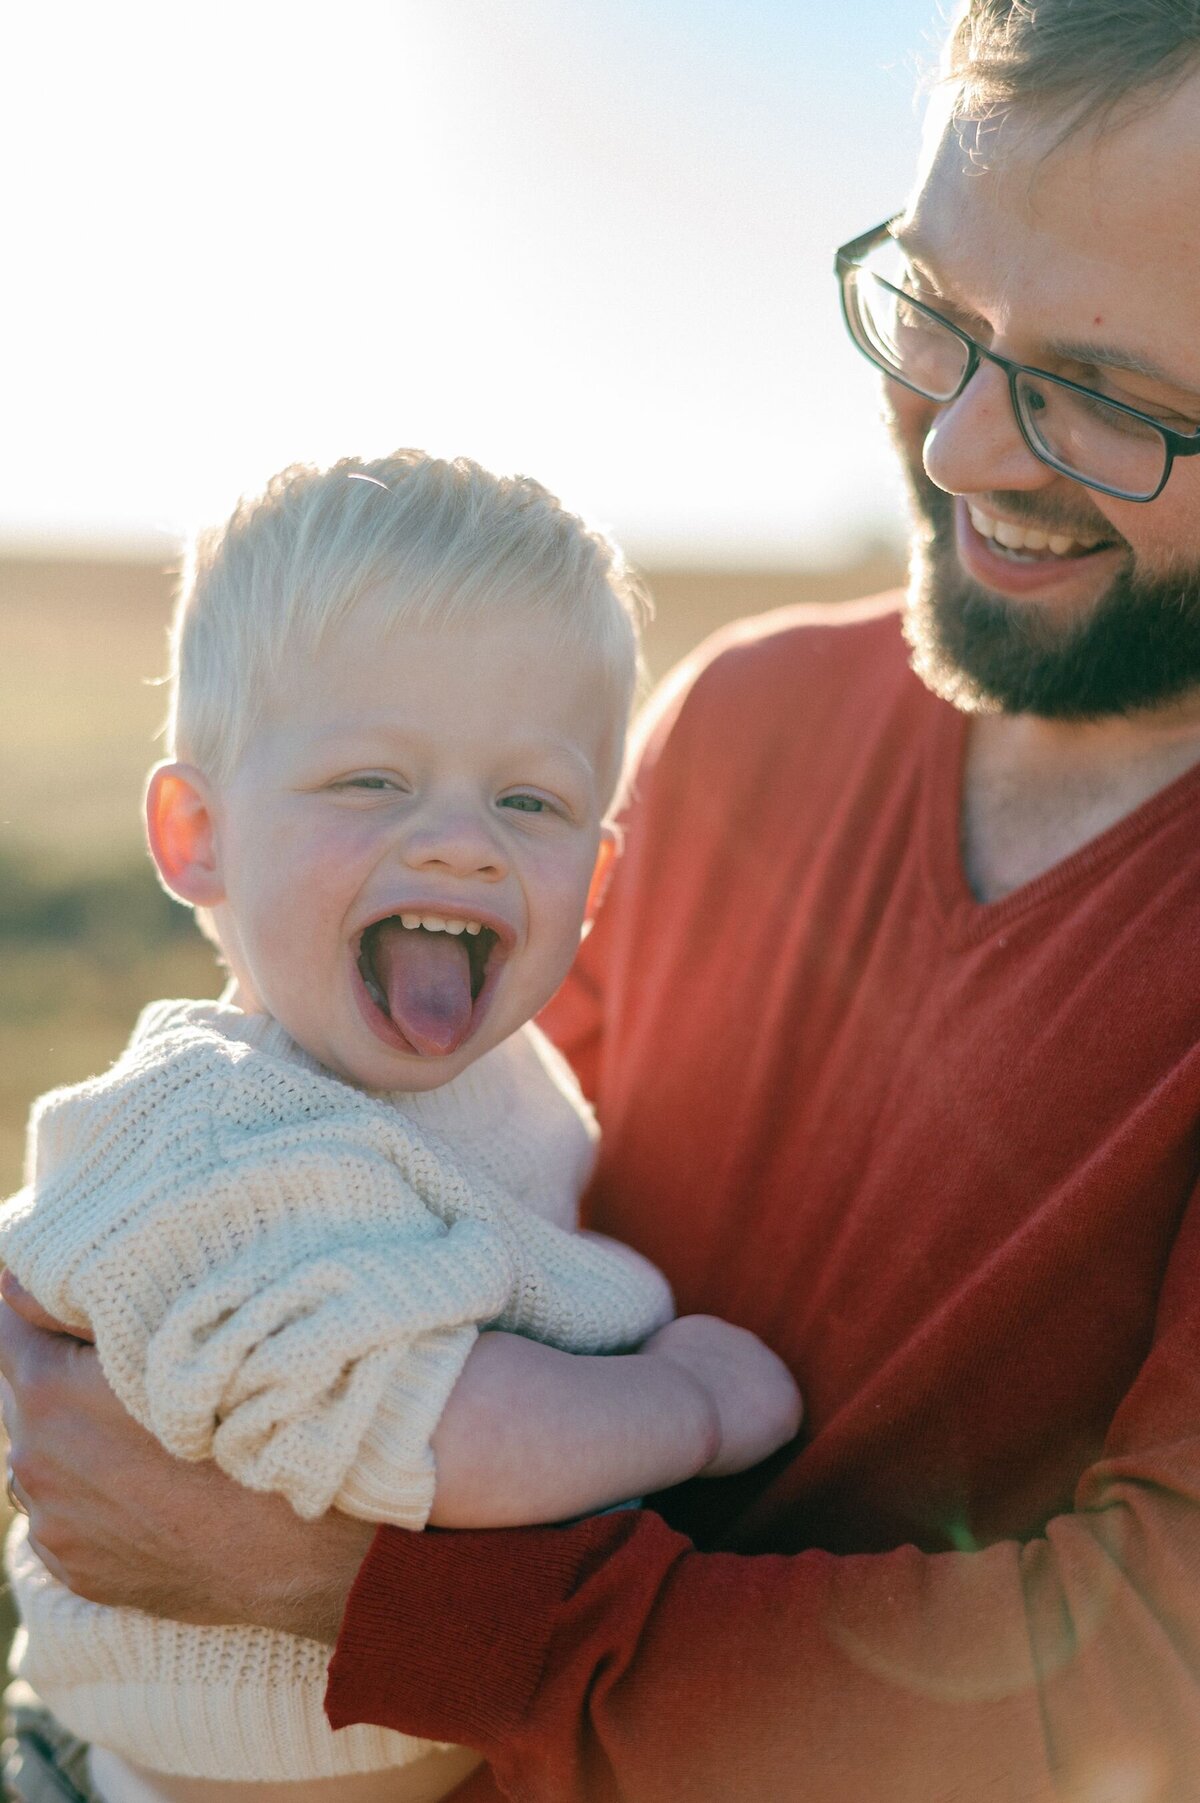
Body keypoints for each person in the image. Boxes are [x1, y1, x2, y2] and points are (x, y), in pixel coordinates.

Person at [7, 0, 1200, 1796]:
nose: (959, 451)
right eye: (940, 320)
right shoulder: (738, 726)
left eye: (1108, 399)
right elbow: (427, 1176)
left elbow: (1147, 1682)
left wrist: (355, 1592)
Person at [0, 452, 800, 1803]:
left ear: (594, 876)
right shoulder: (221, 1139)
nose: (461, 844)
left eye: (528, 802)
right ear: (199, 834)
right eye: (371, 781)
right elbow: (433, 1431)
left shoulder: (514, 1079)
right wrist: (692, 1404)